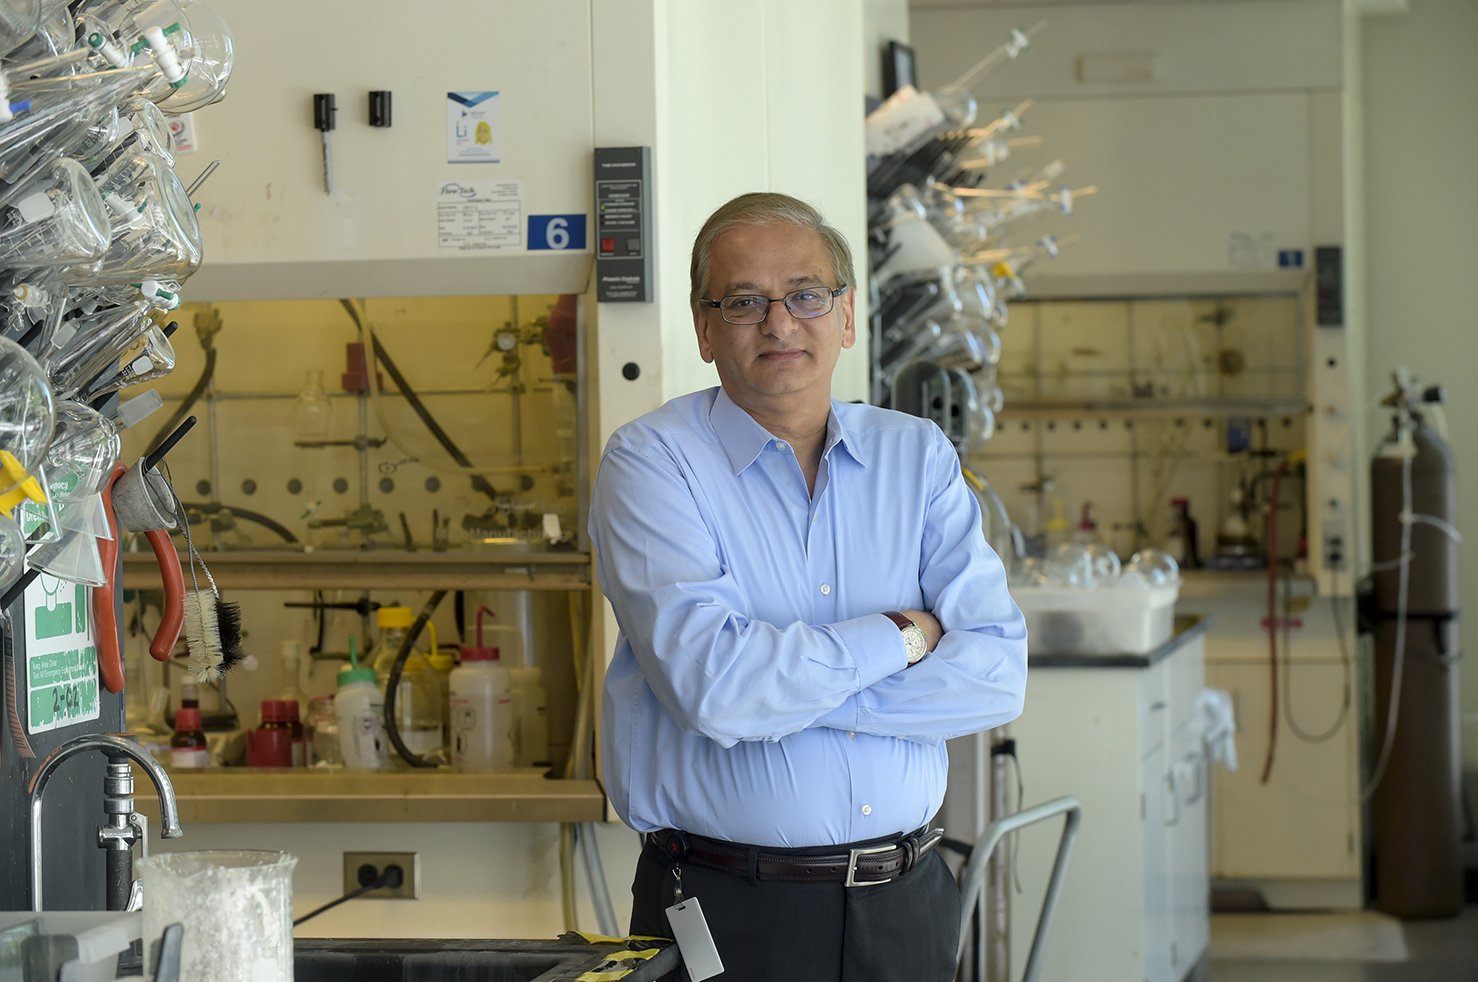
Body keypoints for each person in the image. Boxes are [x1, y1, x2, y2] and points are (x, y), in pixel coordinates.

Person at [588, 191, 1027, 981]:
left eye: (806, 295)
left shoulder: (915, 457)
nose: (780, 323)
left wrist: (780, 701)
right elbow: (713, 692)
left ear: (847, 314)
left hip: (909, 904)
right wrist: (903, 638)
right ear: (704, 327)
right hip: (729, 909)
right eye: (745, 301)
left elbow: (997, 674)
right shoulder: (652, 463)